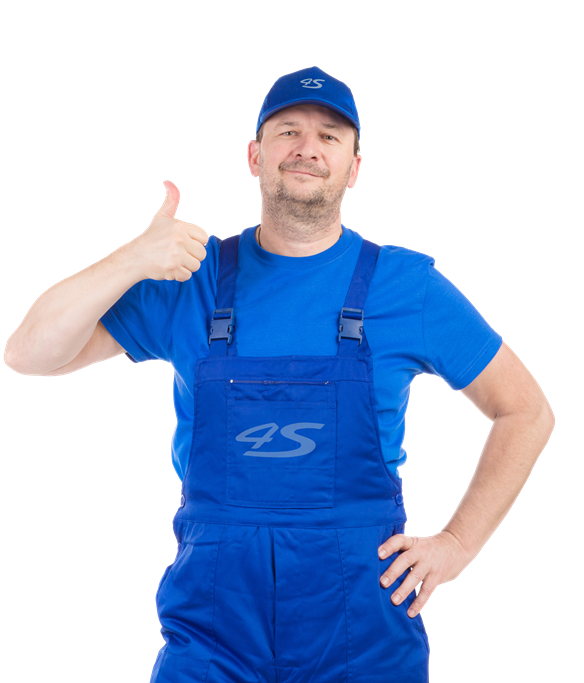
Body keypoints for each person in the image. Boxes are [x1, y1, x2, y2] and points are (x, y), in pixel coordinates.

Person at [4, 66, 555, 682]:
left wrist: (456, 545)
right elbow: (29, 354)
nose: (307, 148)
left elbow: (527, 411)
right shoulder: (191, 279)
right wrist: (130, 259)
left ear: (353, 167)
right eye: (288, 130)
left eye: (329, 137)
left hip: (362, 634)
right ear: (255, 155)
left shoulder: (407, 286)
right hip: (213, 632)